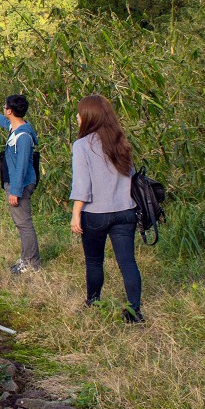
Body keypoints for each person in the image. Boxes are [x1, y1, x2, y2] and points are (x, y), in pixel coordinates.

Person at [69, 94, 143, 323]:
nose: (78, 117)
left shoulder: (82, 145)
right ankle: (134, 311)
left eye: (80, 113)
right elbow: (130, 178)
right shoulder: (120, 141)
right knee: (127, 261)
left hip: (96, 213)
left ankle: (93, 301)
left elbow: (82, 185)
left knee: (94, 261)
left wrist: (75, 214)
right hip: (125, 211)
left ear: (89, 117)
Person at [0, 94, 40, 273]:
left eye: (4, 107)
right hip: (16, 183)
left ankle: (31, 263)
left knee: (24, 224)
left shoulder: (23, 137)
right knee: (21, 223)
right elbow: (6, 122)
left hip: (21, 185)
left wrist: (15, 191)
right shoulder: (16, 127)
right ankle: (26, 258)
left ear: (10, 110)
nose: (3, 109)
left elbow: (22, 167)